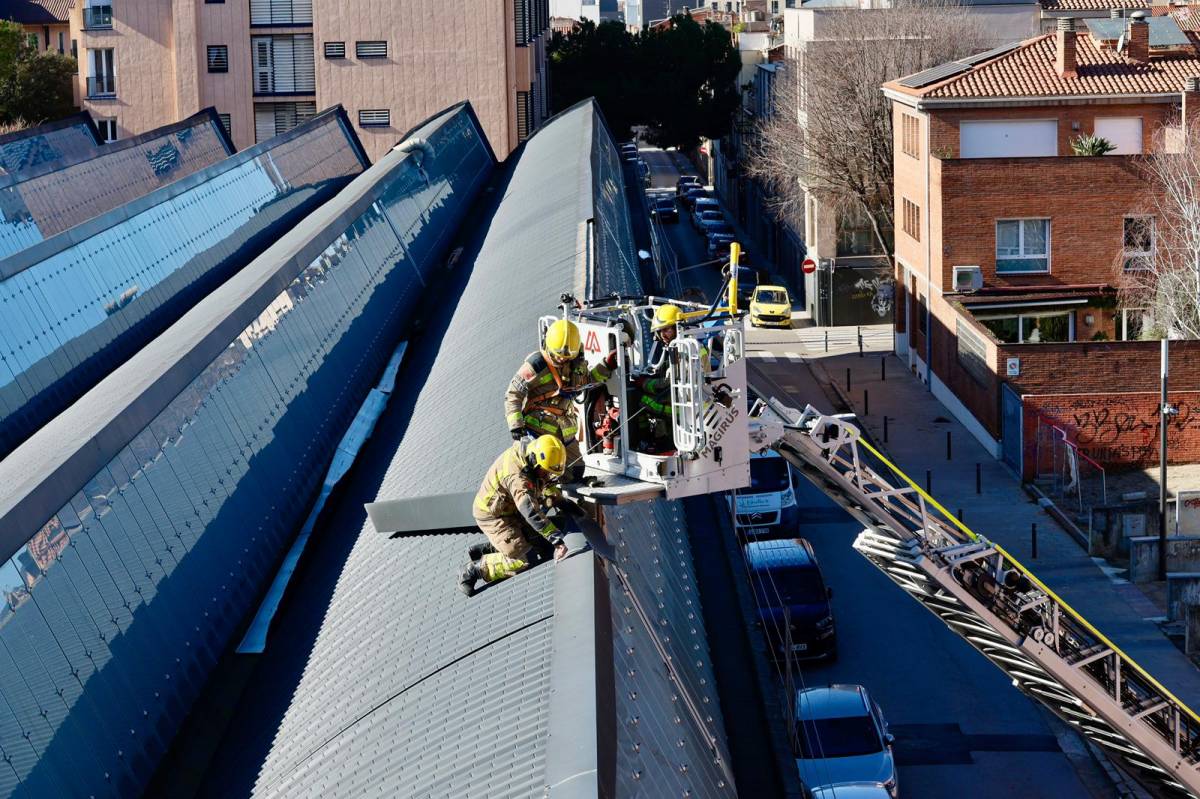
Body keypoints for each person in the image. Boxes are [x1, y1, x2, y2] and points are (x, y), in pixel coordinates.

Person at [505, 318, 617, 480]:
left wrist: (606, 366)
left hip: (565, 431)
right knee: (539, 473)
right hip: (539, 431)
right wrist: (516, 426)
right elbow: (514, 393)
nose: (561, 359)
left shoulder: (575, 362)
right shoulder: (536, 364)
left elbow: (585, 382)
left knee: (575, 472)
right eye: (558, 356)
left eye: (566, 357)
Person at [458, 435, 569, 597]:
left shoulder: (532, 457)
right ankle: (475, 569)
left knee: (544, 544)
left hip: (510, 509)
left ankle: (492, 548)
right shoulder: (517, 477)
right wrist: (556, 540)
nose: (547, 477)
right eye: (545, 472)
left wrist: (564, 503)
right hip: (493, 516)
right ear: (534, 460)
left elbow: (544, 487)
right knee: (524, 559)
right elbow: (530, 510)